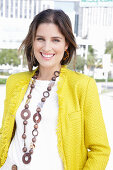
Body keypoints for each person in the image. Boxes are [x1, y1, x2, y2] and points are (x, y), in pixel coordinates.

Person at [0, 9, 110, 170]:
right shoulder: (14, 82)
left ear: (66, 44)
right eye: (40, 39)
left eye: (56, 40)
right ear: (33, 41)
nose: (47, 47)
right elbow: (5, 134)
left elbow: (100, 150)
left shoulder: (82, 86)